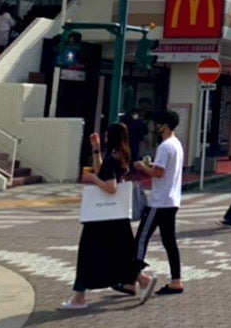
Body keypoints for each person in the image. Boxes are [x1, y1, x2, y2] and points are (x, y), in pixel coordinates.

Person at [60, 124, 153, 310]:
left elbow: (111, 187)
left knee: (88, 253)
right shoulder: (121, 155)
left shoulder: (112, 158)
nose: (104, 137)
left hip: (102, 218)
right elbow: (101, 170)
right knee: (118, 254)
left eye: (106, 135)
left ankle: (79, 298)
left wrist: (92, 179)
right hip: (116, 217)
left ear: (112, 137)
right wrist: (96, 149)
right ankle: (142, 279)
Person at [128, 110, 185, 297]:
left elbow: (159, 173)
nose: (155, 127)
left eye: (158, 124)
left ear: (164, 126)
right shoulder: (177, 144)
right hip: (172, 200)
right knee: (169, 241)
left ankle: (134, 279)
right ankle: (176, 280)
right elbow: (164, 170)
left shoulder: (164, 146)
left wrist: (141, 167)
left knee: (141, 239)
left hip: (159, 202)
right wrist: (151, 166)